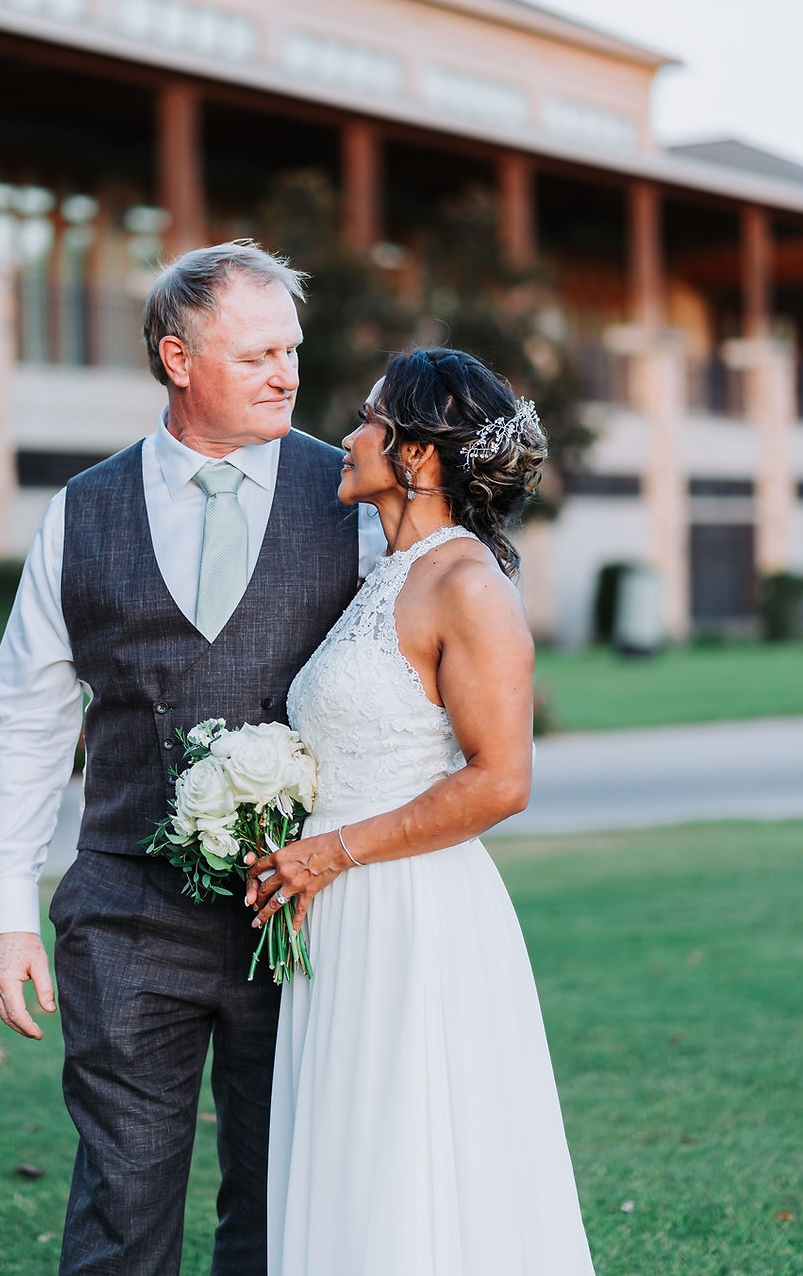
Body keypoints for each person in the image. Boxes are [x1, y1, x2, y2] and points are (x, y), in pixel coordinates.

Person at [0, 239, 384, 1276]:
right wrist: (8, 909)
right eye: (255, 356)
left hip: (298, 916)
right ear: (176, 359)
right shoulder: (83, 510)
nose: (287, 373)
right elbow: (24, 716)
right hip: (122, 914)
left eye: (291, 349)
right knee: (122, 1201)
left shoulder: (354, 501)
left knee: (280, 1200)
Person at [247, 347, 596, 1275]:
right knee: (352, 1152)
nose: (350, 436)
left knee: (407, 1154)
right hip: (345, 908)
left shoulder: (468, 586)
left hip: (408, 909)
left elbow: (500, 780)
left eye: (370, 419)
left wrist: (331, 853)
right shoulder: (386, 574)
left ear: (419, 457)